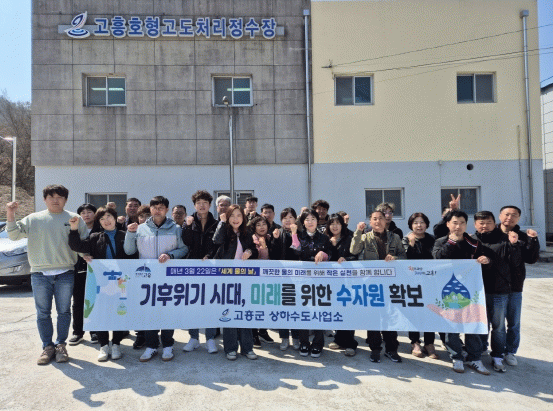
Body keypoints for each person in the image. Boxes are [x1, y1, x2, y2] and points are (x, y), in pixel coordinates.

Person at [5, 184, 88, 365]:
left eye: (60, 197)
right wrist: (10, 213)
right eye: (51, 197)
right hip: (39, 274)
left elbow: (82, 243)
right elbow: (14, 235)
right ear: (45, 199)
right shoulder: (33, 219)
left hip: (66, 272)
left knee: (64, 311)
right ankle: (47, 347)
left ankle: (61, 345)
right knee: (43, 313)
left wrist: (88, 256)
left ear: (66, 200)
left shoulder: (74, 218)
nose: (55, 200)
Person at [124, 196, 189, 362]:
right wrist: (130, 234)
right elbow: (129, 251)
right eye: (154, 207)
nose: (157, 210)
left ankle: (167, 345)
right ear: (150, 209)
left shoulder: (175, 228)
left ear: (166, 210)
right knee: (149, 311)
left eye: (161, 207)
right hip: (146, 278)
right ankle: (151, 346)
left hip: (168, 277)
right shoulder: (140, 228)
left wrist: (170, 255)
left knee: (167, 311)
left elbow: (184, 249)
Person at [432, 210, 492, 375]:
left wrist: (485, 260)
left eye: (462, 223)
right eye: (455, 223)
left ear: (466, 225)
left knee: (472, 324)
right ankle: (456, 356)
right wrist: (451, 242)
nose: (458, 226)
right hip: (448, 291)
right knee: (452, 325)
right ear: (448, 224)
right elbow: (437, 259)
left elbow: (486, 262)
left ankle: (475, 358)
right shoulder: (440, 241)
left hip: (471, 290)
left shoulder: (474, 243)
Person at [68, 207, 131, 362]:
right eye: (102, 219)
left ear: (115, 218)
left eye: (108, 217)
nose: (106, 221)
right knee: (101, 312)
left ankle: (116, 344)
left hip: (121, 281)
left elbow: (133, 255)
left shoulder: (125, 236)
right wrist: (74, 229)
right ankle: (104, 345)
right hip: (101, 282)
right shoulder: (95, 237)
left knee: (118, 311)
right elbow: (76, 246)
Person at [350, 210, 406, 363]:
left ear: (385, 220)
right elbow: (353, 250)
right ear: (370, 222)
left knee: (390, 316)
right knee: (373, 316)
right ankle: (375, 349)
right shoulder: (365, 237)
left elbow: (404, 256)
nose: (377, 221)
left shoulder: (395, 237)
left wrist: (395, 257)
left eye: (380, 218)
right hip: (372, 283)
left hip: (390, 283)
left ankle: (391, 349)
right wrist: (358, 232)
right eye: (374, 219)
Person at [472, 210, 516, 372]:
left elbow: (512, 263)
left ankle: (497, 356)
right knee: (480, 324)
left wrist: (490, 261)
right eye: (481, 223)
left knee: (498, 327)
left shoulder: (505, 239)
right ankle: (480, 350)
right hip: (478, 291)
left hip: (499, 290)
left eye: (488, 222)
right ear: (475, 224)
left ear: (494, 223)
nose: (484, 226)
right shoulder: (472, 240)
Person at [212, 205, 258, 360]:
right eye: (232, 215)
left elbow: (254, 250)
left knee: (244, 312)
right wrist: (221, 223)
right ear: (227, 217)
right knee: (229, 312)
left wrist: (250, 251)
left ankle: (247, 348)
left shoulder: (247, 233)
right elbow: (216, 241)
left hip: (244, 278)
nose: (236, 219)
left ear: (243, 218)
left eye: (239, 215)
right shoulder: (224, 231)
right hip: (226, 279)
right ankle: (230, 348)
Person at [496, 205, 539, 367]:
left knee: (514, 323)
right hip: (495, 286)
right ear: (500, 216)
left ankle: (510, 352)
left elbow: (531, 259)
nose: (510, 217)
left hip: (515, 286)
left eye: (514, 215)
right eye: (507, 214)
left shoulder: (524, 236)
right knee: (497, 324)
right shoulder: (493, 234)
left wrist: (533, 241)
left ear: (519, 218)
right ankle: (495, 351)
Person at [181, 190, 219, 354]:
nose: (202, 206)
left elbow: (218, 244)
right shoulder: (189, 222)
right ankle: (194, 338)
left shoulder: (216, 223)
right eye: (198, 203)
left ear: (210, 205)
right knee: (192, 303)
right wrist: (188, 226)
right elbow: (186, 242)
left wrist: (210, 255)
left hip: (210, 268)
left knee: (210, 303)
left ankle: (210, 338)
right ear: (194, 205)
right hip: (192, 268)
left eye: (205, 203)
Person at [290, 209, 331, 358]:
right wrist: (294, 234)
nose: (310, 222)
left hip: (320, 281)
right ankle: (304, 342)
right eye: (307, 219)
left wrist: (323, 254)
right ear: (303, 222)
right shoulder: (299, 236)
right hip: (302, 280)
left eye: (313, 218)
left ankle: (318, 344)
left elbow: (331, 254)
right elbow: (295, 252)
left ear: (317, 221)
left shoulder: (324, 238)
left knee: (318, 312)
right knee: (304, 312)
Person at [401, 212, 439, 359]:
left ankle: (429, 343)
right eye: (415, 222)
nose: (419, 225)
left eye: (422, 222)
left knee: (430, 311)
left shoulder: (433, 239)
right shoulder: (406, 239)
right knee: (414, 312)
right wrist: (410, 244)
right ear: (411, 225)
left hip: (430, 282)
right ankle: (415, 342)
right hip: (413, 283)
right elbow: (404, 260)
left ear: (427, 224)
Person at [324, 214, 358, 356]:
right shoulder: (326, 239)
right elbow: (327, 258)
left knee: (348, 310)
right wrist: (332, 246)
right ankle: (338, 339)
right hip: (333, 281)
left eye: (338, 223)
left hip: (348, 281)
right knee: (337, 310)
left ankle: (350, 343)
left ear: (342, 225)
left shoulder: (349, 237)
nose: (335, 226)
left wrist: (346, 259)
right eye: (332, 223)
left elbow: (356, 255)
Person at [68, 203, 100, 346]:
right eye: (83, 213)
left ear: (95, 214)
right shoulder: (76, 228)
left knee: (94, 301)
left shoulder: (100, 228)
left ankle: (95, 331)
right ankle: (78, 332)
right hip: (78, 269)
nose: (86, 215)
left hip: (96, 270)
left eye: (89, 212)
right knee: (78, 302)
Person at [271, 207, 301, 351]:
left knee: (295, 308)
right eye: (285, 218)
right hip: (282, 277)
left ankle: (296, 337)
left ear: (295, 219)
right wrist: (275, 240)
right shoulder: (278, 232)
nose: (288, 220)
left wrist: (294, 234)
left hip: (297, 277)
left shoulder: (300, 232)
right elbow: (273, 254)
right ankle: (284, 337)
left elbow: (298, 252)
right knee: (282, 308)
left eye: (290, 217)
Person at [248, 215, 276, 347]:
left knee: (266, 305)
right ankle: (254, 333)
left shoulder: (271, 238)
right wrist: (263, 247)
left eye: (264, 224)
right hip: (254, 278)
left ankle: (263, 331)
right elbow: (259, 257)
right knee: (255, 306)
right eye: (258, 225)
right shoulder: (250, 239)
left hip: (269, 278)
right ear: (254, 227)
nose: (261, 227)